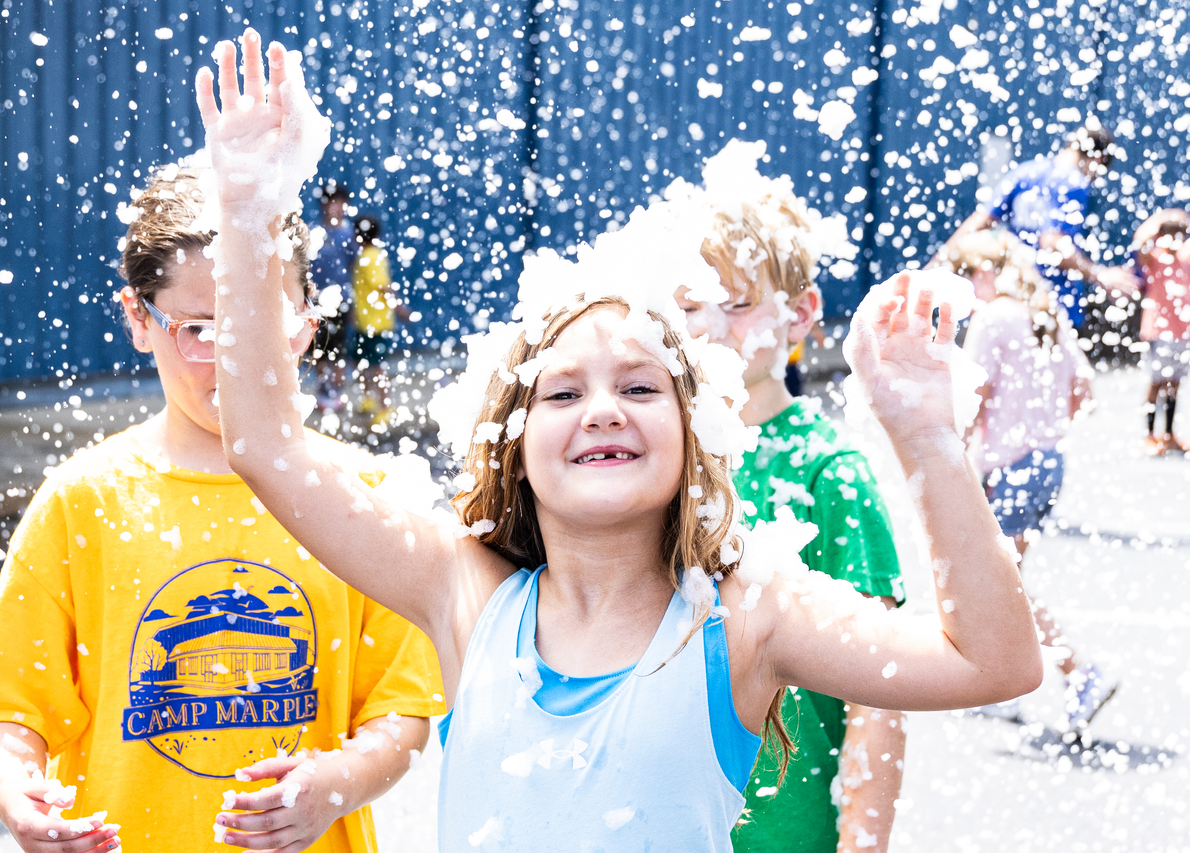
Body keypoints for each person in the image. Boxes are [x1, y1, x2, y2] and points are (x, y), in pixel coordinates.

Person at [194, 32, 1042, 851]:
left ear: (694, 434)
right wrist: (248, 207)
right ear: (513, 445)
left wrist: (926, 434)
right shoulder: (464, 594)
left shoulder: (745, 616)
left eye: (640, 387)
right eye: (563, 392)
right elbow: (267, 446)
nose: (602, 408)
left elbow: (992, 664)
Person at [0, 164, 444, 853]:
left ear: (305, 320)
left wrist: (342, 780)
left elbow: (403, 710)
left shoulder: (359, 496)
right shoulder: (81, 501)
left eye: (261, 323)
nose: (237, 356)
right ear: (138, 319)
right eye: (202, 330)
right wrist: (17, 789)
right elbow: (11, 707)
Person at [674, 156, 905, 853]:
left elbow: (879, 692)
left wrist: (861, 840)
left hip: (784, 833)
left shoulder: (828, 472)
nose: (711, 327)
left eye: (740, 303)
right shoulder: (651, 462)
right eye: (691, 304)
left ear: (799, 313)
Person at [946, 231, 1118, 731]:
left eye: (964, 279)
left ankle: (1077, 669)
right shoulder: (1046, 314)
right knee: (1005, 579)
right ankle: (1007, 688)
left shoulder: (992, 318)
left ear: (983, 272)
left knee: (1003, 582)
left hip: (1011, 467)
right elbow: (1084, 392)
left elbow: (972, 398)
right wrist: (1041, 424)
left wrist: (953, 460)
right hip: (1047, 463)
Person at [933, 124, 1138, 330]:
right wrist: (1099, 274)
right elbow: (1053, 243)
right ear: (1098, 160)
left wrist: (938, 262)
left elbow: (980, 221)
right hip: (1053, 304)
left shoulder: (1025, 171)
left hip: (1014, 296)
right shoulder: (1074, 182)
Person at [1131, 209, 1190, 455]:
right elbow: (1139, 241)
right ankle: (1150, 436)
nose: (1175, 239)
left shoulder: (1187, 256)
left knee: (1173, 385)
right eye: (1169, 233)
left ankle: (1168, 435)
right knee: (1156, 384)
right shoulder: (1153, 257)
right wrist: (1158, 221)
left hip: (1183, 333)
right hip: (1158, 332)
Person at [349, 214, 409, 422]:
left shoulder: (370, 257)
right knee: (362, 362)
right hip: (367, 322)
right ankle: (369, 400)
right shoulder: (369, 254)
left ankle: (384, 408)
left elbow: (382, 287)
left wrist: (400, 308)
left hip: (374, 323)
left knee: (375, 366)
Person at [310, 180, 359, 414]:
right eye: (331, 202)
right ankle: (323, 389)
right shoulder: (313, 232)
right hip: (317, 301)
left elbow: (354, 267)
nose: (335, 207)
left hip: (341, 300)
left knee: (338, 346)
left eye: (340, 202)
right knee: (319, 346)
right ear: (323, 205)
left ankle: (337, 390)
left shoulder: (349, 234)